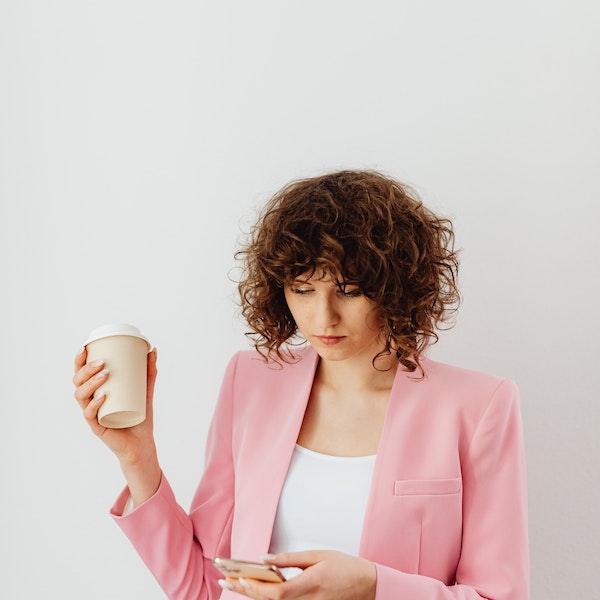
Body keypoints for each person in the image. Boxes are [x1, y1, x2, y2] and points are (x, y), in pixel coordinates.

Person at [73, 169, 529, 600]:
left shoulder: (479, 405)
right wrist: (137, 457)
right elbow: (209, 586)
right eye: (303, 289)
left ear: (396, 286)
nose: (323, 317)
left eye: (349, 290)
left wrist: (372, 586)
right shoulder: (249, 382)